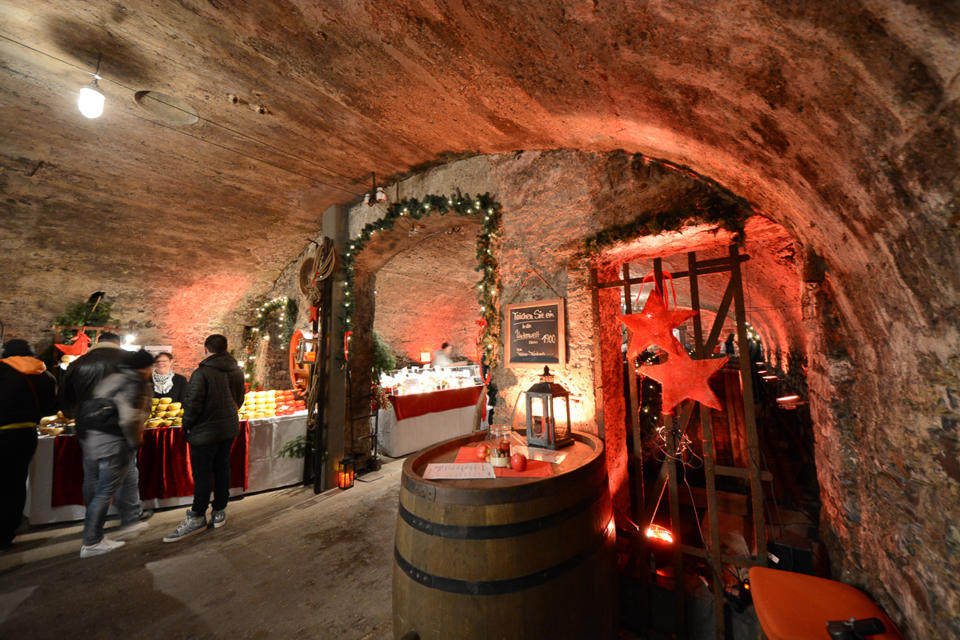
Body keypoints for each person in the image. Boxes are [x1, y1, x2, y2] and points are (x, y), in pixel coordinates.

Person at [164, 334, 244, 542]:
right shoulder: (235, 370)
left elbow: (193, 405)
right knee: (222, 467)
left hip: (205, 431)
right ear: (225, 349)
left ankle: (198, 515)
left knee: (203, 474)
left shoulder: (202, 373)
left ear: (206, 350)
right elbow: (239, 399)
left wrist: (187, 425)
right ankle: (219, 511)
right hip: (227, 429)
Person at [77, 349, 154, 558]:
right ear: (145, 368)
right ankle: (92, 541)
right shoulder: (136, 383)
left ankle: (109, 528)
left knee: (97, 486)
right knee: (105, 492)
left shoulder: (114, 378)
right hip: (112, 442)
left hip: (91, 438)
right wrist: (134, 441)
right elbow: (129, 419)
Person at [0, 339, 57, 549]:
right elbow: (50, 409)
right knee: (15, 484)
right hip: (25, 434)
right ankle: (6, 533)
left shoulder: (2, 369)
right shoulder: (43, 374)